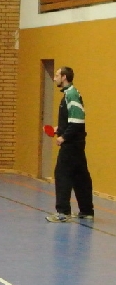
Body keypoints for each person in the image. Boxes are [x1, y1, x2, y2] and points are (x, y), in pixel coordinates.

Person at [46, 66, 94, 223]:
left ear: (64, 77)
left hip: (71, 144)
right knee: (80, 176)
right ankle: (86, 211)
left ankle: (63, 212)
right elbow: (71, 120)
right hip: (77, 143)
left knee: (62, 174)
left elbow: (78, 122)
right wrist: (58, 129)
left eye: (57, 75)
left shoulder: (71, 95)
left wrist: (63, 137)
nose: (55, 78)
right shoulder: (69, 94)